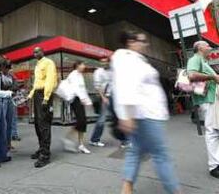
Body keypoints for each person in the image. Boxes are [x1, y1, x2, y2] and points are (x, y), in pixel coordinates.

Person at [112, 31, 181, 194]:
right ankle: (175, 191)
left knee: (136, 151)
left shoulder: (136, 59)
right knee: (160, 154)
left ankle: (126, 188)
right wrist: (126, 115)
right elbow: (125, 85)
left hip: (144, 113)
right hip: (145, 114)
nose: (145, 44)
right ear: (131, 42)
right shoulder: (127, 58)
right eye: (142, 41)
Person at [187, 40, 219, 178]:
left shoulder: (203, 62)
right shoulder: (195, 59)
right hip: (208, 100)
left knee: (215, 131)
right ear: (199, 47)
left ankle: (216, 162)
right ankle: (214, 166)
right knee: (212, 132)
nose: (210, 47)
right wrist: (212, 76)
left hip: (212, 99)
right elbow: (192, 75)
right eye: (207, 45)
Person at [27, 47, 57, 168]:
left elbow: (50, 80)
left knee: (44, 124)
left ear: (43, 52)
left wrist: (46, 97)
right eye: (34, 52)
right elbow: (37, 83)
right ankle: (41, 149)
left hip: (45, 95)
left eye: (37, 51)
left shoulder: (48, 63)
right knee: (38, 124)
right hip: (37, 95)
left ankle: (45, 155)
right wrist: (30, 95)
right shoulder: (37, 65)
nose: (35, 53)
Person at [90, 57, 129, 148]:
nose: (103, 64)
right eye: (101, 62)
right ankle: (94, 140)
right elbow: (97, 86)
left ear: (109, 62)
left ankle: (124, 140)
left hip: (114, 96)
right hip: (105, 97)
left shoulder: (113, 71)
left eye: (105, 62)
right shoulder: (98, 72)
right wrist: (103, 97)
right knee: (102, 120)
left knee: (119, 117)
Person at [62, 60, 92, 154]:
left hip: (80, 100)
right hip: (75, 100)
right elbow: (76, 89)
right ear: (78, 65)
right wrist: (83, 99)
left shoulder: (80, 75)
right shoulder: (73, 75)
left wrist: (87, 100)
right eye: (83, 64)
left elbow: (83, 89)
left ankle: (81, 145)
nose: (84, 66)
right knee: (81, 121)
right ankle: (67, 139)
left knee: (83, 122)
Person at [1, 59, 19, 152]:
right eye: (6, 68)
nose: (7, 70)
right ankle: (2, 144)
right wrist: (9, 90)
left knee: (9, 122)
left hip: (10, 100)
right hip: (2, 100)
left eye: (8, 68)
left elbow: (16, 86)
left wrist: (8, 89)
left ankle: (8, 144)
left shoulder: (11, 76)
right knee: (2, 122)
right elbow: (0, 87)